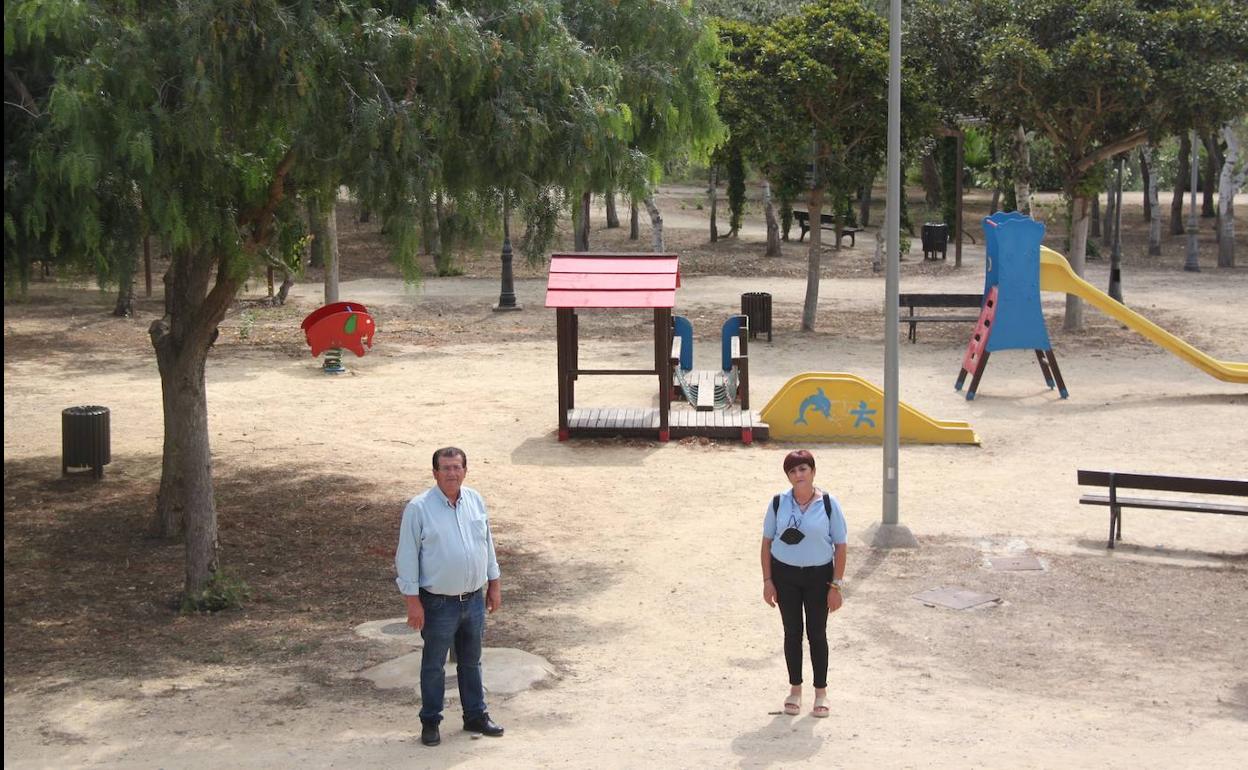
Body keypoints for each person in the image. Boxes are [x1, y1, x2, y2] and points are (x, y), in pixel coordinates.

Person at [395, 446, 504, 747]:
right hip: (438, 603)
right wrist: (412, 602)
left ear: (465, 471)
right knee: (434, 665)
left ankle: (475, 715)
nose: (452, 473)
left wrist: (494, 584)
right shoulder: (418, 508)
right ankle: (431, 721)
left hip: (473, 599)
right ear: (435, 473)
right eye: (446, 468)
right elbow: (406, 557)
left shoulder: (475, 500)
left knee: (472, 661)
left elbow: (487, 544)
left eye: (457, 467)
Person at [760, 449, 848, 718]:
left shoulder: (829, 504)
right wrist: (768, 581)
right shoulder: (778, 503)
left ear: (813, 471)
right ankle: (795, 690)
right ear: (788, 476)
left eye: (803, 469)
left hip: (818, 576)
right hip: (784, 575)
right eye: (793, 471)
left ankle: (821, 692)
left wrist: (836, 586)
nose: (798, 475)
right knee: (792, 632)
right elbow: (766, 543)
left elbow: (841, 545)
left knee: (817, 633)